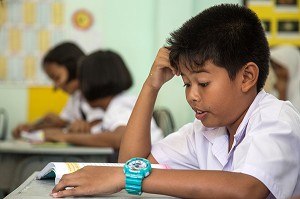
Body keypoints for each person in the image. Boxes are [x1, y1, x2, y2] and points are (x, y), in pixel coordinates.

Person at [51, 4, 300, 199]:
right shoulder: (203, 132)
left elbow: (246, 189)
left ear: (246, 77)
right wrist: (151, 85)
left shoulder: (276, 119)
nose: (192, 95)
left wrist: (128, 178)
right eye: (186, 84)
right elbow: (132, 163)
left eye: (202, 83)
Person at [43, 50, 163, 149]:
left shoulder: (119, 105)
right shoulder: (117, 104)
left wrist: (65, 137)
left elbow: (120, 138)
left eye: (82, 82)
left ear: (94, 82)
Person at [13, 42, 104, 138]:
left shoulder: (99, 93)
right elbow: (64, 123)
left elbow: (104, 125)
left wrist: (67, 124)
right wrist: (33, 127)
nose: (55, 86)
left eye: (57, 78)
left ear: (73, 67)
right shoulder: (75, 97)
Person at [269, 44, 300, 111]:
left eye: (280, 68)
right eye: (275, 68)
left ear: (292, 66)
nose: (278, 72)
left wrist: (282, 93)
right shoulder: (276, 89)